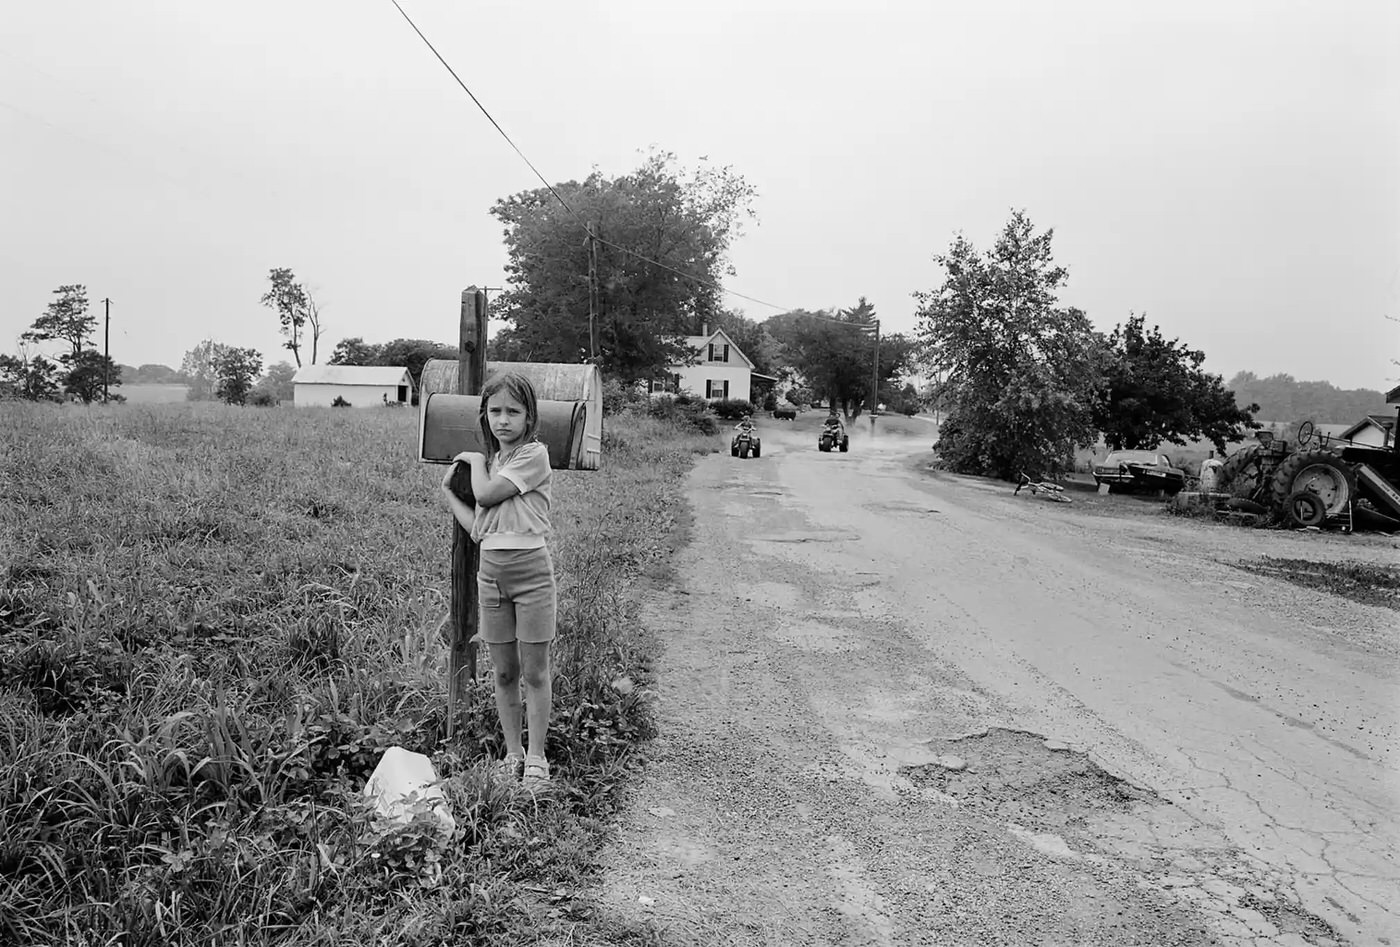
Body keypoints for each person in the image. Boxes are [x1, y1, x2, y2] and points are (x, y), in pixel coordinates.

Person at [439, 372, 557, 791]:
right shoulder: (495, 464)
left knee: (535, 671)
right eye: (495, 412)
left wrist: (472, 461)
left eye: (513, 411)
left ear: (529, 417)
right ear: (485, 415)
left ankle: (538, 759)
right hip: (491, 573)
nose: (503, 420)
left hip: (531, 572)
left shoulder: (532, 455)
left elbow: (487, 495)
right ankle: (513, 754)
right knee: (504, 673)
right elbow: (480, 528)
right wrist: (450, 495)